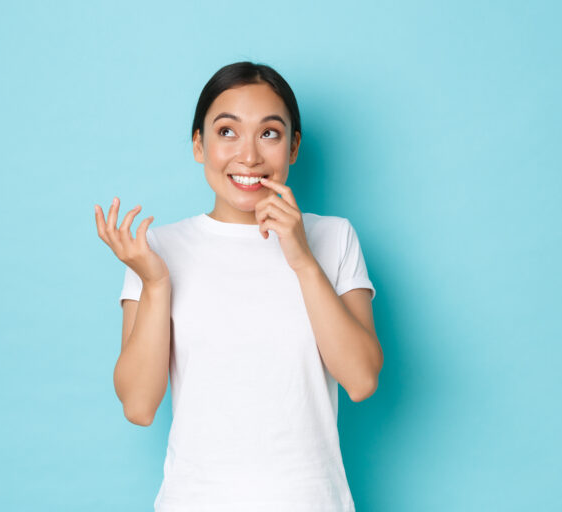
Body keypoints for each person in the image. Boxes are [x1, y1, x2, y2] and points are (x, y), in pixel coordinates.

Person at [94, 61, 383, 512]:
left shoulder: (334, 237)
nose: (248, 156)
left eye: (269, 133)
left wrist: (302, 259)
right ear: (198, 145)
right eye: (227, 132)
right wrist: (154, 283)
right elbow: (139, 405)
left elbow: (362, 380)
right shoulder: (157, 249)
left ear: (293, 147)